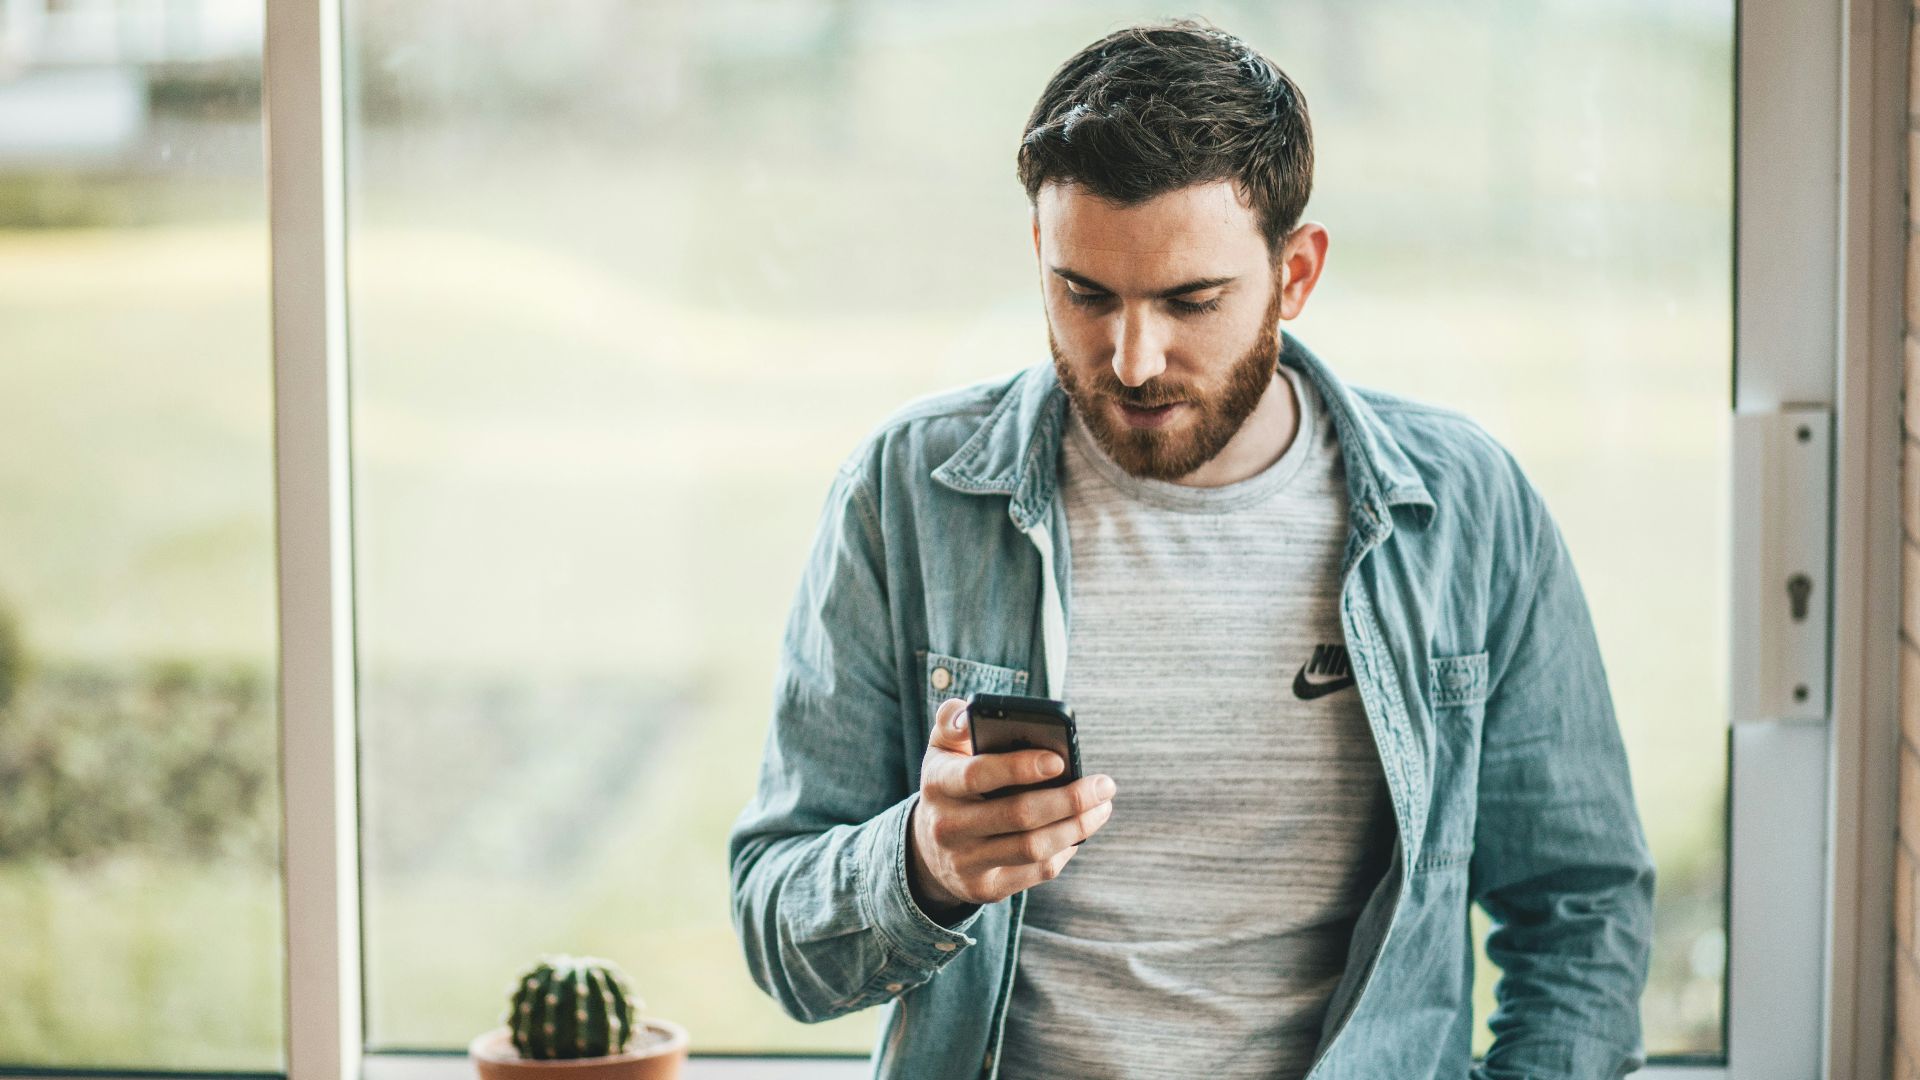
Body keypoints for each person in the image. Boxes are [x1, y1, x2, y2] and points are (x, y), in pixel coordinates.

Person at [728, 18, 1655, 1080]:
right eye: (1085, 294)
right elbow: (778, 929)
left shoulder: (1466, 510)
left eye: (1190, 301)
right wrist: (924, 864)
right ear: (1039, 253)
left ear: (1294, 273)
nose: (1131, 359)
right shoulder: (907, 494)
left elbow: (1580, 910)